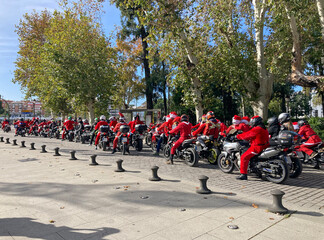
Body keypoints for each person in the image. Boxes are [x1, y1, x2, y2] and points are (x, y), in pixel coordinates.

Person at [236, 116, 269, 180]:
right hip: (264, 145)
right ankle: (256, 171)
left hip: (257, 147)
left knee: (243, 157)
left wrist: (238, 136)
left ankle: (243, 174)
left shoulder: (257, 128)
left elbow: (247, 135)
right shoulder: (263, 128)